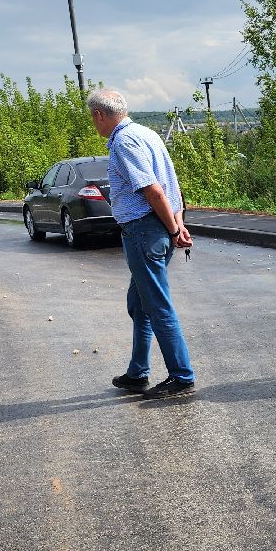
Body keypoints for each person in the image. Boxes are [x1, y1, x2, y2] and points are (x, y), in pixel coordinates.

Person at [88, 87, 196, 399]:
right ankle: (137, 373)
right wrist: (177, 223)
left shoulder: (123, 141)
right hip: (157, 228)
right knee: (139, 305)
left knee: (158, 306)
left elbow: (154, 191)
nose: (94, 124)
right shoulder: (148, 134)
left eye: (93, 118)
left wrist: (174, 230)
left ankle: (182, 376)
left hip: (144, 232)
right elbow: (172, 187)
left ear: (99, 114)